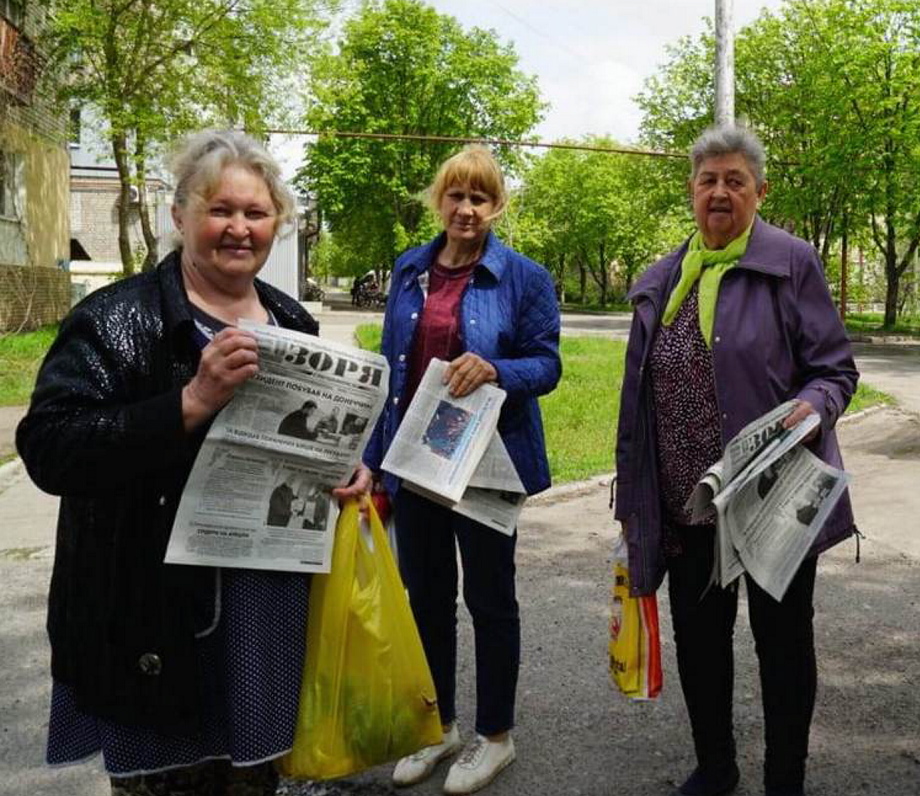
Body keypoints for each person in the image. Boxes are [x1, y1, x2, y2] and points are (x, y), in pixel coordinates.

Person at [16, 130, 370, 796]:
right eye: (220, 210)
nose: (239, 228)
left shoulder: (293, 321)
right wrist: (188, 403)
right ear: (180, 217)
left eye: (256, 213)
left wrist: (348, 468)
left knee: (255, 780)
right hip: (159, 618)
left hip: (266, 611)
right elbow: (50, 448)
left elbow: (315, 442)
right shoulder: (116, 319)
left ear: (278, 223)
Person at [614, 125, 859, 796]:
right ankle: (716, 766)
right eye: (708, 180)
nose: (720, 192)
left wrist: (813, 407)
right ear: (691, 191)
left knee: (782, 646)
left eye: (735, 181)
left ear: (759, 192)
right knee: (700, 643)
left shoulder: (791, 262)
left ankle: (786, 777)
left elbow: (835, 370)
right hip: (686, 501)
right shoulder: (664, 278)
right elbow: (638, 395)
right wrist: (632, 496)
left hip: (773, 499)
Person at [361, 145, 560, 794]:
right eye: (455, 195)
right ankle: (438, 724)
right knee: (428, 600)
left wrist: (498, 370)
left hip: (488, 462)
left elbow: (547, 365)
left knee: (490, 600)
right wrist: (373, 464)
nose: (466, 208)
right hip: (417, 459)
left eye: (479, 197)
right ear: (437, 200)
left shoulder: (524, 277)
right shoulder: (409, 269)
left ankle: (495, 735)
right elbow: (393, 373)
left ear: (496, 206)